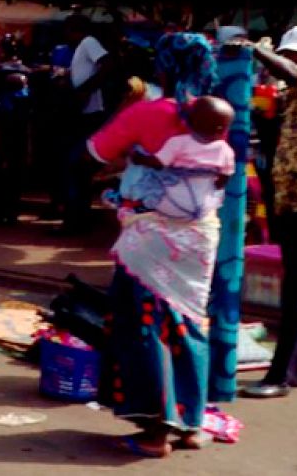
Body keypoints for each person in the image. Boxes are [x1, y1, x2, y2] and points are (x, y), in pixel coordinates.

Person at [86, 33, 220, 456]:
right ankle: (191, 426)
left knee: (145, 325)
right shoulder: (217, 114)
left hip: (150, 236)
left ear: (162, 66)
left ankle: (154, 432)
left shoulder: (148, 112)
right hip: (200, 238)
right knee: (189, 322)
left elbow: (95, 152)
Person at [243, 25, 297, 399]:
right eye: (287, 54)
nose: (290, 61)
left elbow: (296, 76)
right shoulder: (296, 93)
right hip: (296, 199)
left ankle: (281, 375)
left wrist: (259, 52)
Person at [111, 96, 235, 221]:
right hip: (202, 207)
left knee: (146, 169)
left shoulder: (179, 142)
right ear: (224, 129)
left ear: (189, 122)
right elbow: (223, 180)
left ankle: (135, 204)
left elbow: (158, 163)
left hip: (170, 205)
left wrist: (138, 158)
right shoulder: (226, 151)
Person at [59, 15, 117, 233]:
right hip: (83, 112)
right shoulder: (81, 48)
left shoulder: (88, 42)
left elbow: (107, 64)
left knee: (75, 165)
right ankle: (77, 218)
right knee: (77, 167)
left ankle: (75, 221)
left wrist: (84, 90)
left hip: (89, 113)